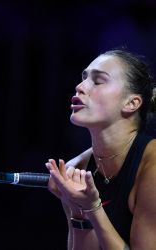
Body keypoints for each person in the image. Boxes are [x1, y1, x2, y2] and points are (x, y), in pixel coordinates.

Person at [45, 48, 156, 250]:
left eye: (97, 81)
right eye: (83, 78)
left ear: (132, 103)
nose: (79, 87)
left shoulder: (153, 165)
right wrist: (77, 209)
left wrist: (92, 208)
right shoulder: (76, 168)